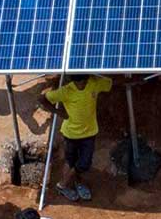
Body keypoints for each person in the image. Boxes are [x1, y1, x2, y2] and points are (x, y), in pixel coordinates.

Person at [40, 74, 111, 202]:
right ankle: (66, 185)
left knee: (84, 163)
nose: (80, 85)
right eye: (77, 82)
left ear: (87, 79)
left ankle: (66, 183)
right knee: (70, 161)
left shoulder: (94, 83)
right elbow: (43, 99)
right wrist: (59, 112)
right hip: (70, 134)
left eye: (82, 82)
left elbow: (110, 83)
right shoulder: (66, 91)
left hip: (89, 133)